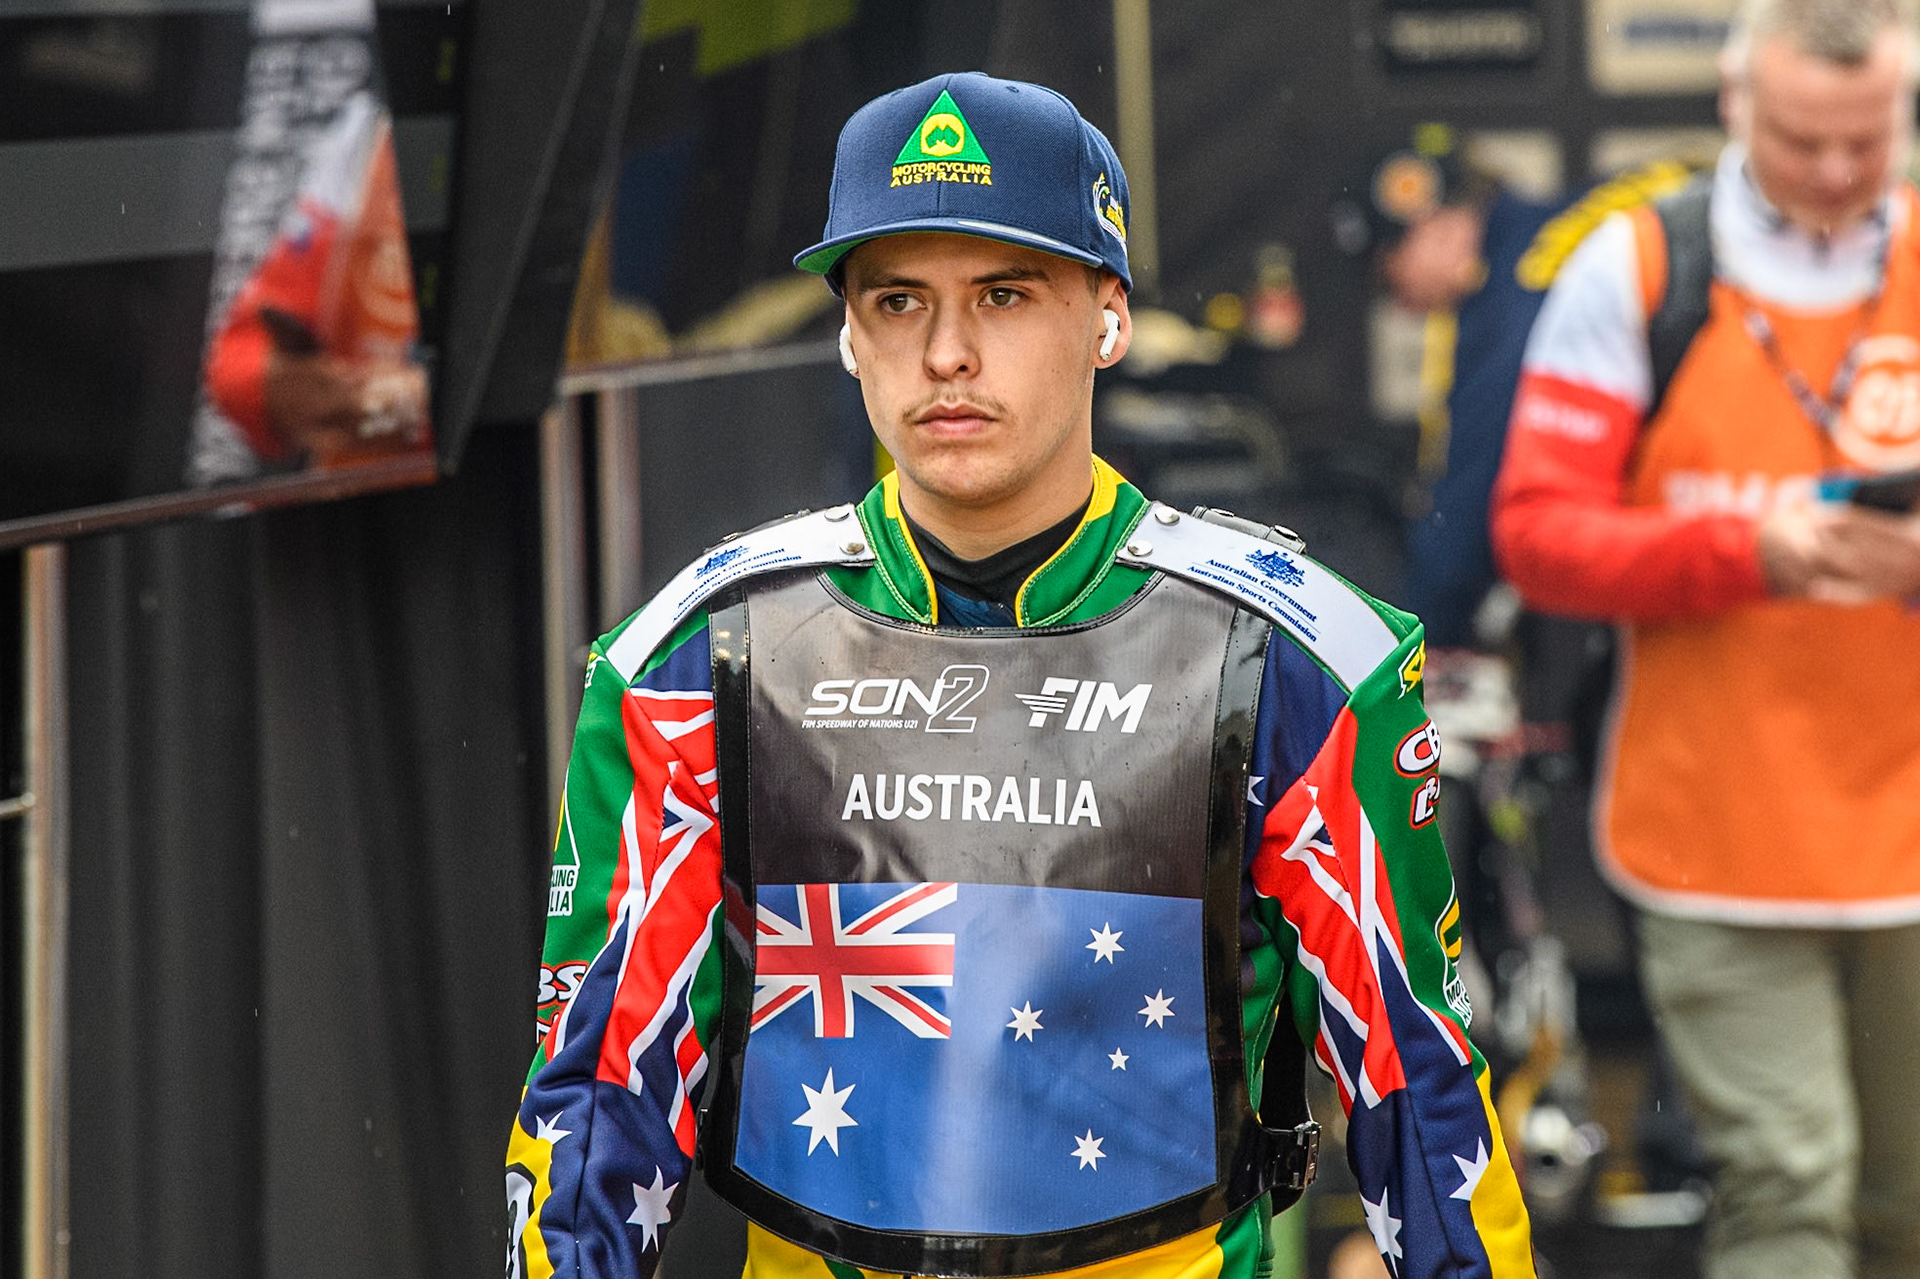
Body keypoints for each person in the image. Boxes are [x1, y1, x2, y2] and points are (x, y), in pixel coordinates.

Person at [507, 71, 1535, 1279]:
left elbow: (1422, 1102)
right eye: (899, 300)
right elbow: (596, 1102)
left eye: (1005, 294)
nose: (947, 352)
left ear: (1109, 315)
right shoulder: (694, 654)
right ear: (848, 333)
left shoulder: (1298, 657)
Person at [1491, 2, 1920, 1276]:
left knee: (1901, 1203)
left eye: (1869, 137)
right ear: (1734, 100)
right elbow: (1536, 534)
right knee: (1791, 1179)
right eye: (1802, 139)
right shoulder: (1639, 266)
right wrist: (1751, 552)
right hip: (1716, 826)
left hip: (1907, 828)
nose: (1839, 171)